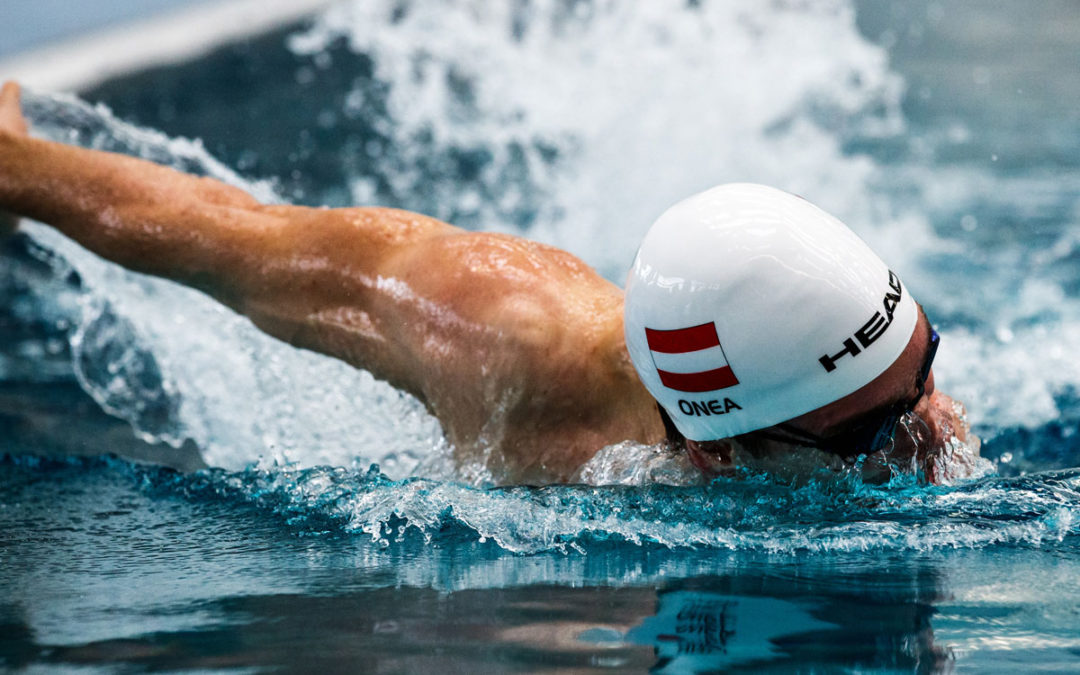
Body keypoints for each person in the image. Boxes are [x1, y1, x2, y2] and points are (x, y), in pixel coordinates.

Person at [0, 81, 976, 484]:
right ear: (719, 452)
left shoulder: (879, 388)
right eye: (867, 435)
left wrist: (885, 405)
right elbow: (227, 236)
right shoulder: (491, 331)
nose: (932, 429)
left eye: (921, 364)